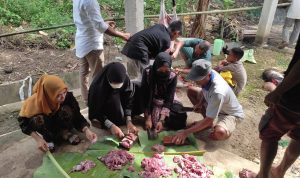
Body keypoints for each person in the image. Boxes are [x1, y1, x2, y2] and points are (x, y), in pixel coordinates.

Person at [239, 36, 300, 178]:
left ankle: (263, 176)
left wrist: (278, 92)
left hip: (294, 100)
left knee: (270, 134)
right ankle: (279, 172)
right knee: (298, 137)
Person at [172, 59, 244, 144]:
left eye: (198, 79)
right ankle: (206, 124)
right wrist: (200, 103)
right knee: (191, 90)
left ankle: (224, 130)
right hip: (214, 102)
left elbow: (209, 119)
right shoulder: (209, 73)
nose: (195, 81)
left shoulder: (218, 91)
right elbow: (204, 89)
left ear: (208, 75)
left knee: (219, 132)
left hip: (229, 113)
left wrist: (186, 132)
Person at [18, 74, 97, 152]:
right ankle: (48, 138)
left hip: (62, 124)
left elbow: (77, 116)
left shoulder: (67, 97)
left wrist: (86, 130)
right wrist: (38, 139)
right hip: (48, 128)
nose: (63, 97)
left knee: (66, 109)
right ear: (48, 95)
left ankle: (66, 133)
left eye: (64, 92)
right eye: (58, 95)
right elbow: (24, 123)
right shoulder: (33, 103)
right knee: (37, 118)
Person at [73, 0, 130, 104]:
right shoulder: (90, 1)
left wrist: (103, 23)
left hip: (81, 41)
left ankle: (87, 101)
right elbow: (100, 26)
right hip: (92, 44)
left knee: (84, 74)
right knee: (98, 76)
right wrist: (122, 35)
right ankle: (97, 104)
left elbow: (87, 20)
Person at [88, 62, 140, 138]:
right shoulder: (97, 86)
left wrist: (129, 120)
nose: (116, 88)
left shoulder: (125, 78)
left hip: (118, 97)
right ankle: (104, 122)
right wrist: (111, 125)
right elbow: (95, 109)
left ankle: (124, 118)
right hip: (105, 106)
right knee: (118, 115)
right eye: (114, 84)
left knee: (138, 87)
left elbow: (129, 98)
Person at [141, 52, 187, 133]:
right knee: (154, 122)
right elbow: (144, 96)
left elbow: (169, 98)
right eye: (160, 70)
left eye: (166, 71)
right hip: (152, 100)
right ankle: (156, 120)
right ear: (156, 67)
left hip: (166, 100)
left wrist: (162, 120)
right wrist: (147, 117)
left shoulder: (172, 76)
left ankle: (163, 122)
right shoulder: (148, 73)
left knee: (180, 117)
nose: (163, 73)